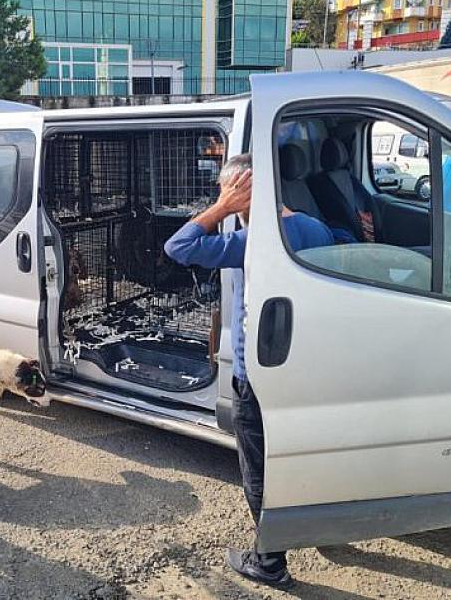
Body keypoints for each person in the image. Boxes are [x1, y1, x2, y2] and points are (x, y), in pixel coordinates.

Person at [164, 153, 335, 589]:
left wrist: (222, 208)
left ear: (239, 190)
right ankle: (318, 525)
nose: (222, 199)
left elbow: (178, 247)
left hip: (256, 373)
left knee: (258, 468)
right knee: (300, 456)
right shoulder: (313, 228)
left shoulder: (254, 238)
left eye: (227, 190)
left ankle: (270, 561)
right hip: (303, 365)